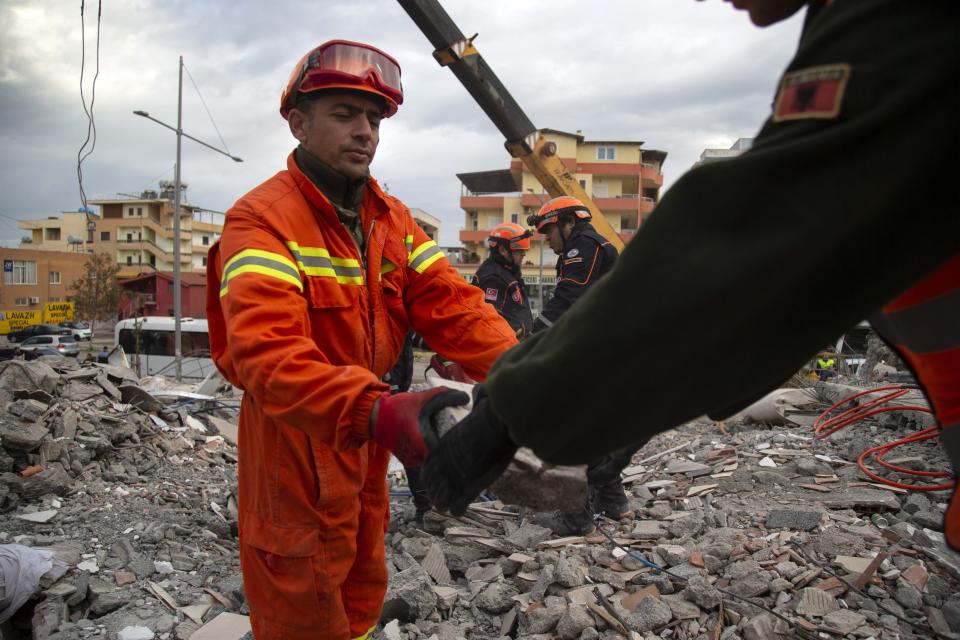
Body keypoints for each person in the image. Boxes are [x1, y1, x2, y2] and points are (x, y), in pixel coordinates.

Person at [420, 0, 960, 552]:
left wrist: (513, 407)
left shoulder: (895, 23)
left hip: (608, 358)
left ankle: (592, 506)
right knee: (614, 443)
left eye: (544, 229)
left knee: (607, 449)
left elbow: (727, 263)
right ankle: (605, 499)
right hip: (613, 360)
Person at [205, 40, 517, 639]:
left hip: (368, 436)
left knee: (361, 583)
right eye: (345, 113)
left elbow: (454, 305)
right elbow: (264, 357)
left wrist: (529, 371)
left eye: (374, 118)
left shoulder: (389, 219)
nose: (365, 131)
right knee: (302, 601)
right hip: (295, 442)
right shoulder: (262, 219)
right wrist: (373, 407)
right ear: (298, 122)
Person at [529, 196, 618, 333]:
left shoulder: (585, 244)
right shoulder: (575, 248)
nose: (546, 238)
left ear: (570, 222)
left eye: (549, 230)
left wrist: (533, 335)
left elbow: (568, 297)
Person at [472, 222, 534, 338]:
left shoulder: (508, 272)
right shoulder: (493, 278)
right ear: (503, 250)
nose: (524, 254)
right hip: (506, 350)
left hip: (517, 348)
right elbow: (491, 325)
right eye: (519, 250)